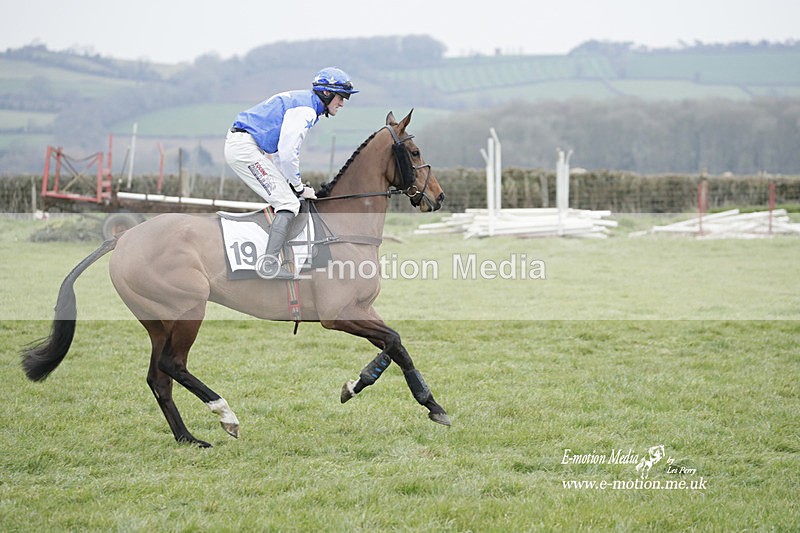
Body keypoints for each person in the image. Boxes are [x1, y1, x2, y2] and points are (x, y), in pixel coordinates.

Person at [224, 67, 358, 279]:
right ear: (326, 93)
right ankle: (268, 264)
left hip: (247, 146)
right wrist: (298, 187)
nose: (342, 103)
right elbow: (287, 153)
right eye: (341, 98)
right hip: (245, 149)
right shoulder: (306, 110)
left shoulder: (305, 102)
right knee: (288, 203)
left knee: (289, 198)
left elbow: (278, 153)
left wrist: (293, 184)